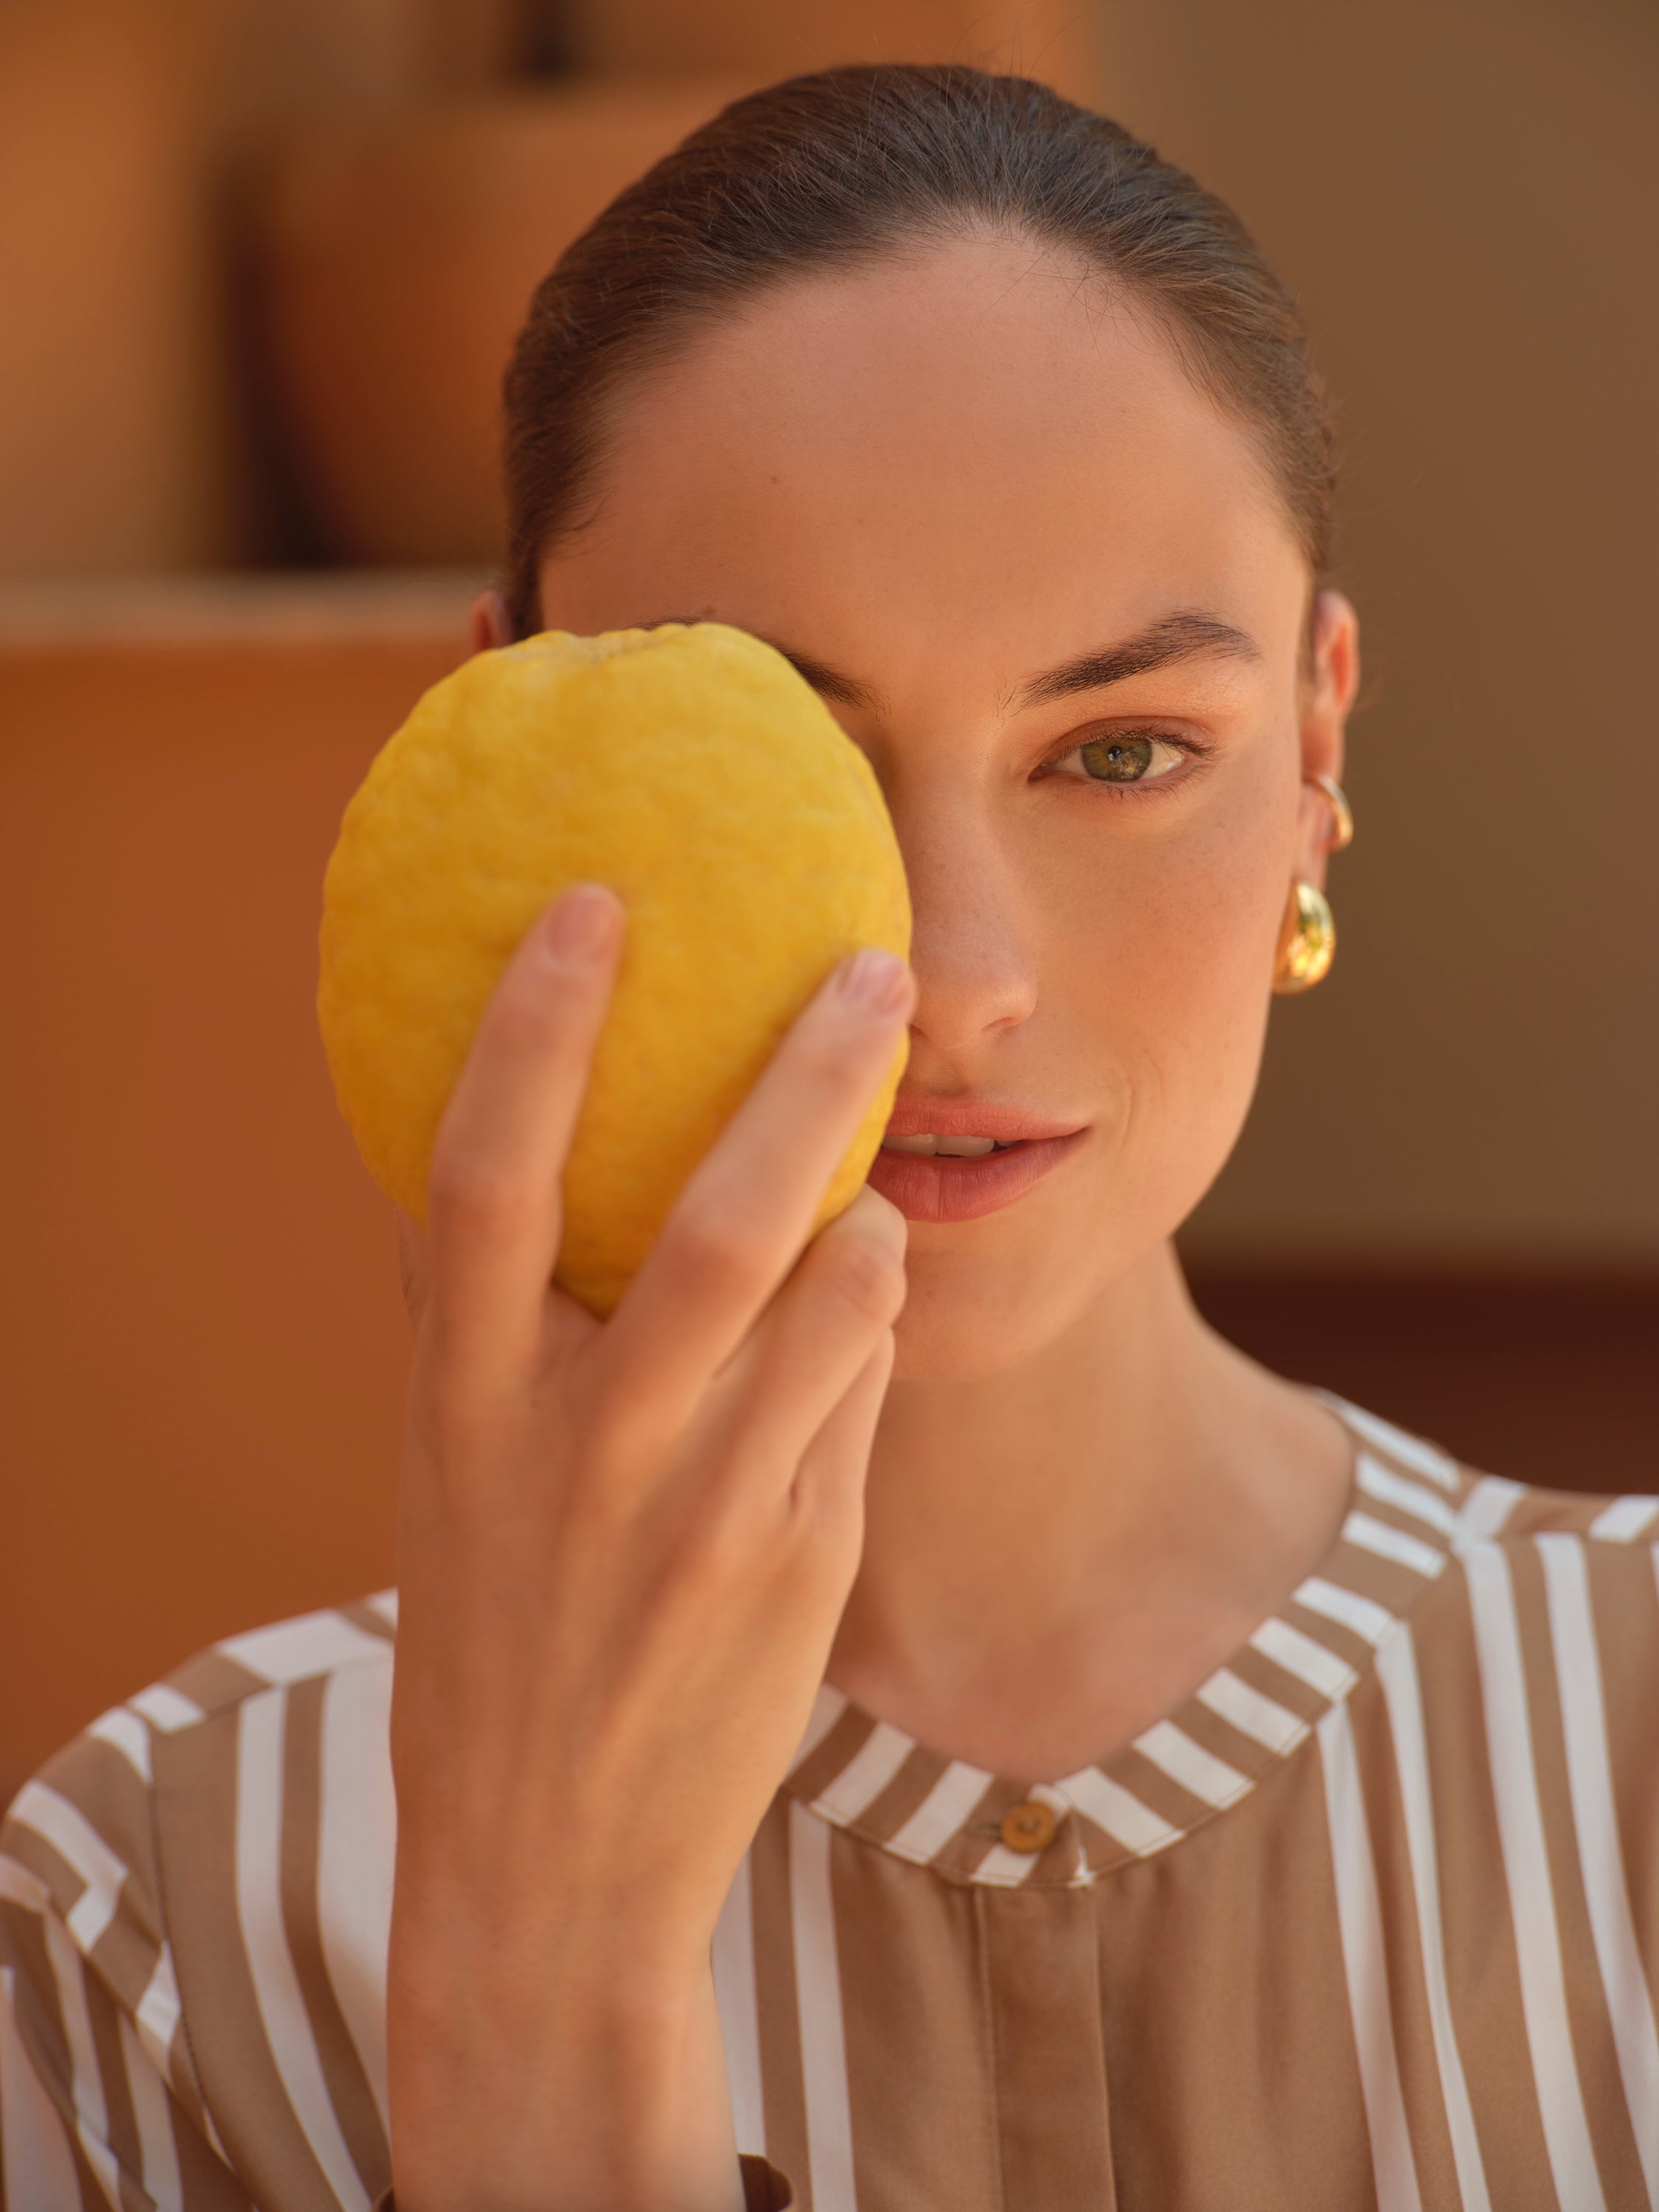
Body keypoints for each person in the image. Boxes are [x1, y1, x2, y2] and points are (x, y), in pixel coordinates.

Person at [2, 63, 1655, 2212]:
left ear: (1317, 751)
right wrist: (543, 1994)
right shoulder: (148, 1929)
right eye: (779, 756)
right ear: (496, 731)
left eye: (1123, 749)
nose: (952, 975)